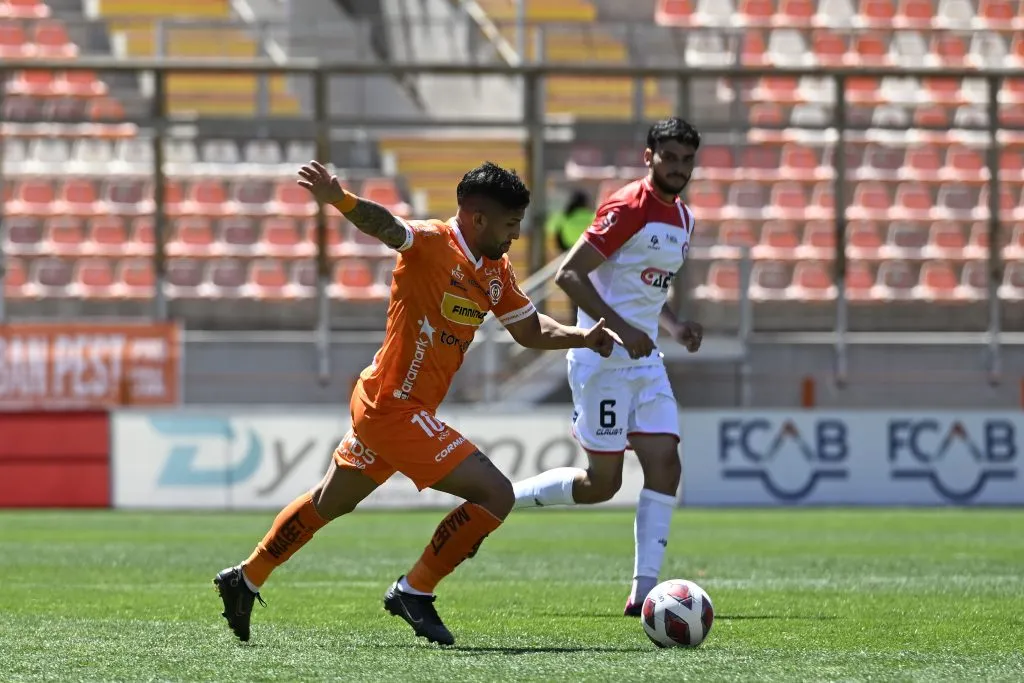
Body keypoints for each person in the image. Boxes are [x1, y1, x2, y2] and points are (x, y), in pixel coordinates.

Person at [213, 160, 619, 646]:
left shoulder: (496, 271)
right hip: (394, 408)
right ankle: (415, 590)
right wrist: (341, 199)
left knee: (329, 502)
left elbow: (530, 329)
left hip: (394, 406)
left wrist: (581, 336)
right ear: (478, 218)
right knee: (496, 494)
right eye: (511, 225)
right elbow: (386, 226)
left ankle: (246, 577)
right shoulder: (431, 243)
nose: (516, 235)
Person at [510, 117, 705, 617]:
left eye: (686, 159)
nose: (678, 167)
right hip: (603, 359)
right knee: (603, 485)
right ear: (649, 157)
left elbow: (648, 288)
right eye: (669, 157)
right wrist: (621, 329)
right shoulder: (628, 207)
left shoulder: (684, 219)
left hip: (645, 361)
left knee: (666, 464)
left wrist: (674, 326)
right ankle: (505, 498)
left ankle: (645, 595)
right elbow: (569, 275)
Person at [545, 189, 594, 255]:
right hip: (586, 251)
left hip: (566, 251)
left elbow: (550, 231)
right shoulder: (592, 217)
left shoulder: (562, 217)